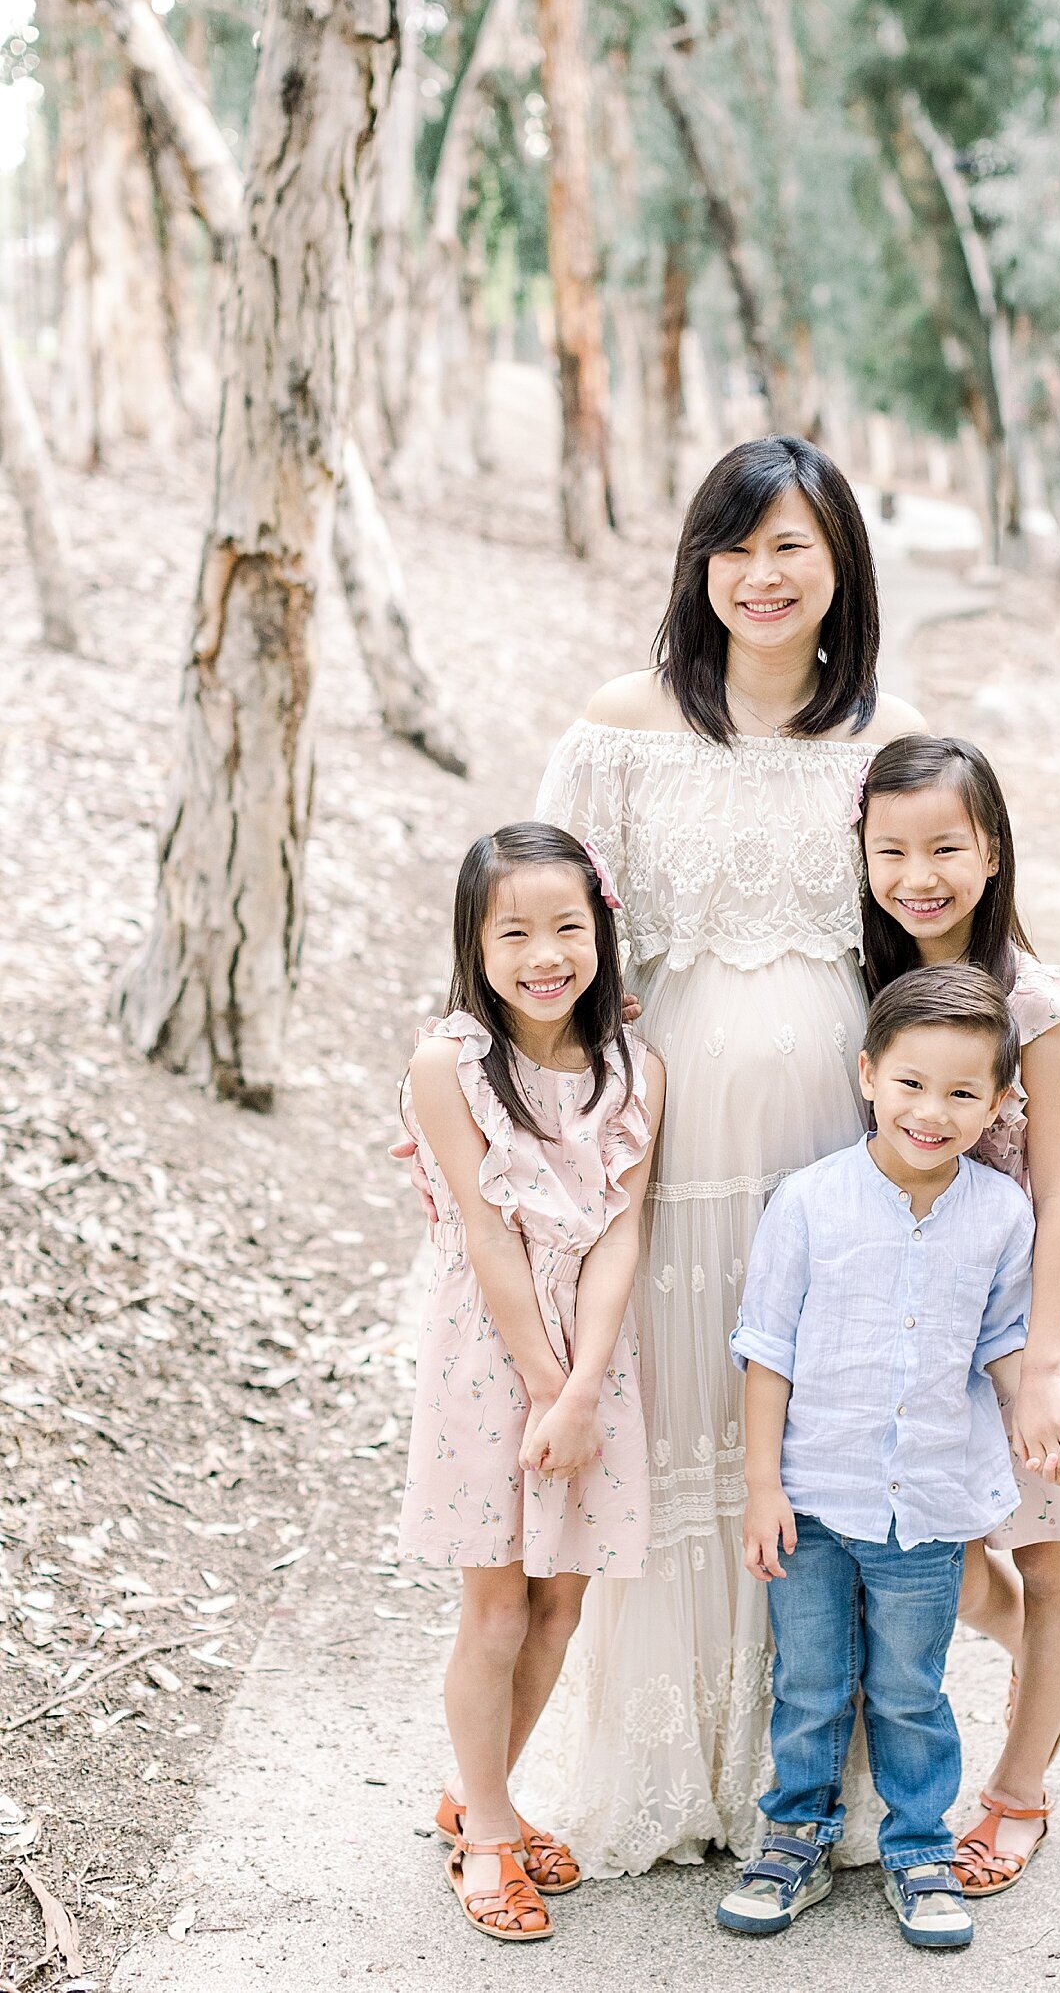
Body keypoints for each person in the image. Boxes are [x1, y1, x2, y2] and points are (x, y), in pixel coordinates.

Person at [522, 435, 922, 1874]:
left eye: (794, 548)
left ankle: (814, 1777)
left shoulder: (886, 735)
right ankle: (673, 1769)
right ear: (701, 563)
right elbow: (534, 925)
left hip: (836, 1154)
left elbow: (948, 922)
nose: (764, 575)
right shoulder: (622, 728)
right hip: (669, 1161)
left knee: (816, 1448)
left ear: (840, 571)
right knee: (685, 1435)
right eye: (738, 547)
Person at [718, 967, 1034, 1951]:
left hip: (926, 1506)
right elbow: (766, 1350)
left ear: (996, 1104)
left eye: (960, 1093)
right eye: (910, 1083)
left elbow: (1004, 1339)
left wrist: (1038, 1418)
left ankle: (919, 1849)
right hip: (811, 1499)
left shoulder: (1000, 1213)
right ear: (867, 1075)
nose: (931, 1112)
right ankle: (794, 1840)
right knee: (809, 1680)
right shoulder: (809, 1202)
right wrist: (762, 1486)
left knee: (910, 1685)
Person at [858, 734, 1060, 1897]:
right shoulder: (855, 981)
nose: (920, 874)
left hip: (1025, 1322)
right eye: (893, 849)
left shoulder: (1033, 1002)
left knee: (1049, 1553)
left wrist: (1045, 1368)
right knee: (952, 1561)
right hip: (910, 1320)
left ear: (993, 850)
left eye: (947, 847)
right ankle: (1035, 1667)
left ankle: (1021, 1791)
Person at [398, 822, 665, 1942]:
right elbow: (491, 1240)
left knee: (563, 1599)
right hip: (490, 1353)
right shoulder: (447, 1064)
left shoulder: (635, 1070)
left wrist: (586, 1385)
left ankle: (480, 1802)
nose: (544, 954)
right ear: (475, 943)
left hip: (593, 1361)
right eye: (514, 932)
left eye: (567, 926)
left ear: (601, 929)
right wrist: (548, 1384)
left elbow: (620, 1236)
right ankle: (494, 1835)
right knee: (497, 1605)